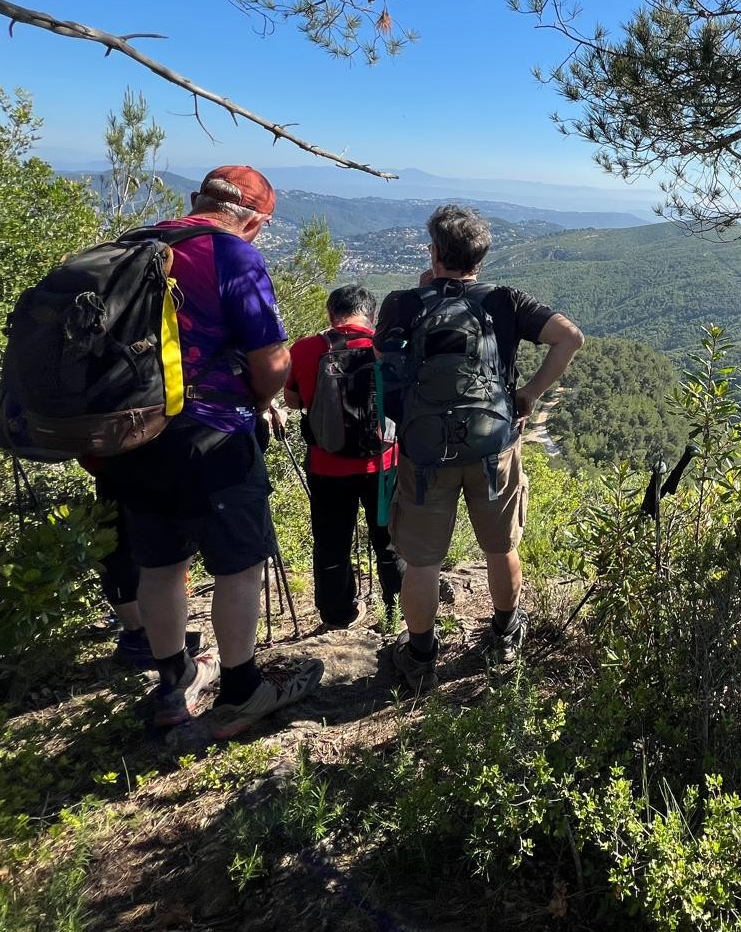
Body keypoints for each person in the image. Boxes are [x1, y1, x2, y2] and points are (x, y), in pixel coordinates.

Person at [95, 165, 321, 736]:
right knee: (239, 566)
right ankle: (242, 691)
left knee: (159, 564)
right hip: (211, 436)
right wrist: (259, 399)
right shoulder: (233, 255)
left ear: (197, 199)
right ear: (257, 221)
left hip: (133, 435)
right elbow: (273, 361)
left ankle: (174, 683)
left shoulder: (136, 244)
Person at [375, 205, 584, 690]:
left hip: (424, 452)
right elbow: (570, 338)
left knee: (423, 562)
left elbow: (384, 358)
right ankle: (505, 636)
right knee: (500, 547)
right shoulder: (506, 301)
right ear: (481, 258)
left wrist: (422, 292)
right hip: (493, 447)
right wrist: (529, 394)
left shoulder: (402, 303)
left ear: (434, 252)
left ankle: (420, 657)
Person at [284, 284, 404, 629]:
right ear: (372, 315)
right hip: (383, 465)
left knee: (331, 544)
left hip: (327, 466)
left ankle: (338, 616)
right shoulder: (388, 348)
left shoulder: (305, 349)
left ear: (330, 313)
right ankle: (398, 612)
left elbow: (293, 401)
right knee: (390, 541)